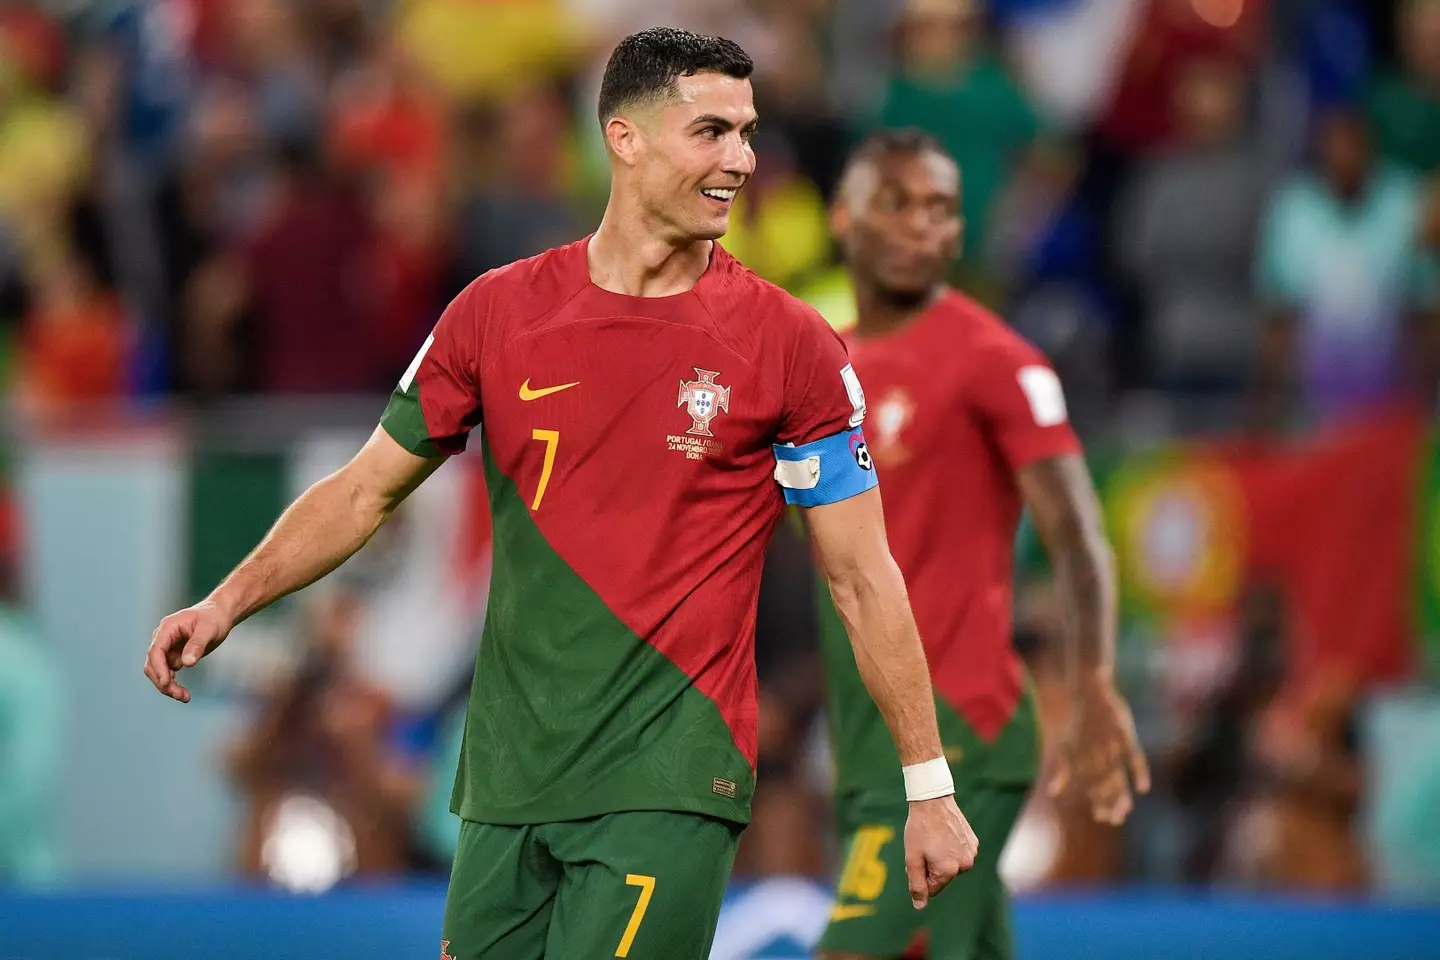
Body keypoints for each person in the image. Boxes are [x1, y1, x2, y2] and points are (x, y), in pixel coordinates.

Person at [143, 28, 977, 960]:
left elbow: (863, 576)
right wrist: (228, 602)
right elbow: (365, 490)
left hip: (668, 783)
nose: (741, 160)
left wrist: (928, 785)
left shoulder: (792, 347)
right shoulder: (495, 314)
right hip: (507, 789)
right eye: (712, 132)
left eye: (747, 133)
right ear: (625, 138)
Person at [815, 129, 1149, 960]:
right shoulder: (819, 369)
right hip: (868, 748)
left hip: (962, 730)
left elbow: (1076, 535)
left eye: (940, 209)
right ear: (842, 219)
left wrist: (1095, 681)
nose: (921, 226)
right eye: (896, 203)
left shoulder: (994, 360)